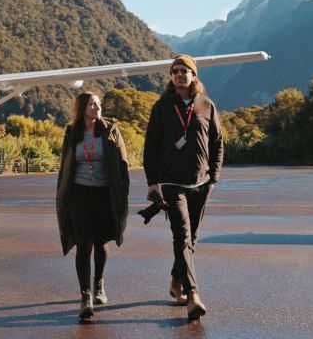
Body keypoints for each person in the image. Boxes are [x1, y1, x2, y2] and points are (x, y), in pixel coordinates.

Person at [144, 54, 223, 321]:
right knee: (182, 235)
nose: (179, 74)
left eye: (184, 70)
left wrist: (214, 176)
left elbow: (217, 143)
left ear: (193, 75)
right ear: (171, 76)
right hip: (171, 182)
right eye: (175, 71)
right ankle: (193, 295)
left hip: (201, 183)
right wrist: (152, 182)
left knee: (193, 238)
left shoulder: (207, 105)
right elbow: (151, 146)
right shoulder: (162, 107)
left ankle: (176, 280)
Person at [55, 91, 130, 319]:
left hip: (104, 194)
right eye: (92, 104)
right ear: (82, 108)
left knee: (101, 241)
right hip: (79, 195)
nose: (97, 107)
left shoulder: (110, 131)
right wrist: (61, 194)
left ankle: (99, 283)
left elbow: (123, 163)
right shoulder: (72, 133)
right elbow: (64, 166)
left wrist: (122, 192)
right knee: (83, 243)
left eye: (98, 104)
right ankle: (85, 295)